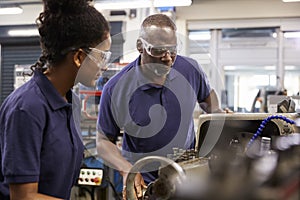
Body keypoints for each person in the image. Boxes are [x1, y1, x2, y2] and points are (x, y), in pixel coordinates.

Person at [96, 13, 224, 199]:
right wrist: (127, 171)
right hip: (145, 186)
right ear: (140, 46)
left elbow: (208, 98)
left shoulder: (191, 70)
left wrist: (218, 115)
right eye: (158, 50)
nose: (167, 58)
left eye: (172, 50)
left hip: (187, 179)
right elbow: (103, 141)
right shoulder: (116, 88)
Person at [0, 0, 111, 199]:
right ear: (78, 57)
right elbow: (23, 196)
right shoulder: (26, 108)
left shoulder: (72, 103)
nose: (104, 66)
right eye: (102, 56)